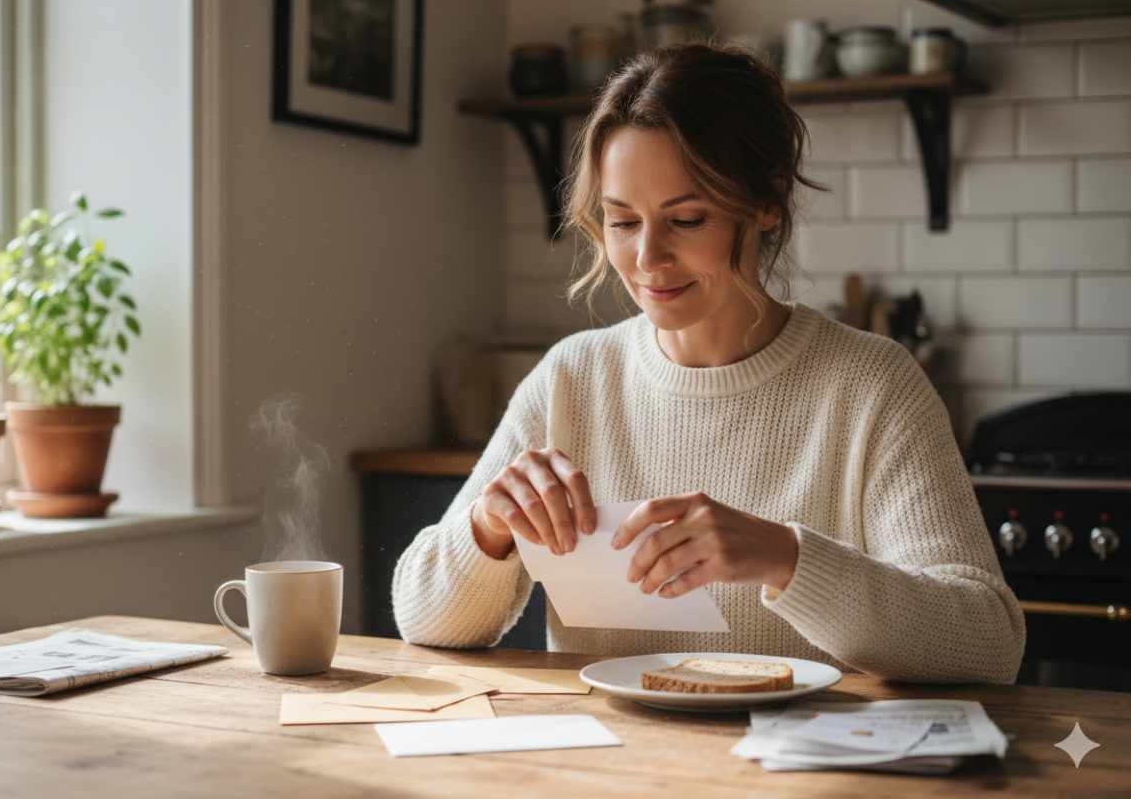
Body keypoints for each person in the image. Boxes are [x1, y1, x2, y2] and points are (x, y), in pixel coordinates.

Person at [392, 43, 1025, 684]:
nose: (646, 258)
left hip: (806, 777)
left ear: (766, 202)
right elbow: (421, 619)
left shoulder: (872, 387)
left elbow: (988, 641)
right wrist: (487, 529)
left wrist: (789, 558)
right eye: (621, 221)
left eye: (686, 219)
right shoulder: (572, 378)